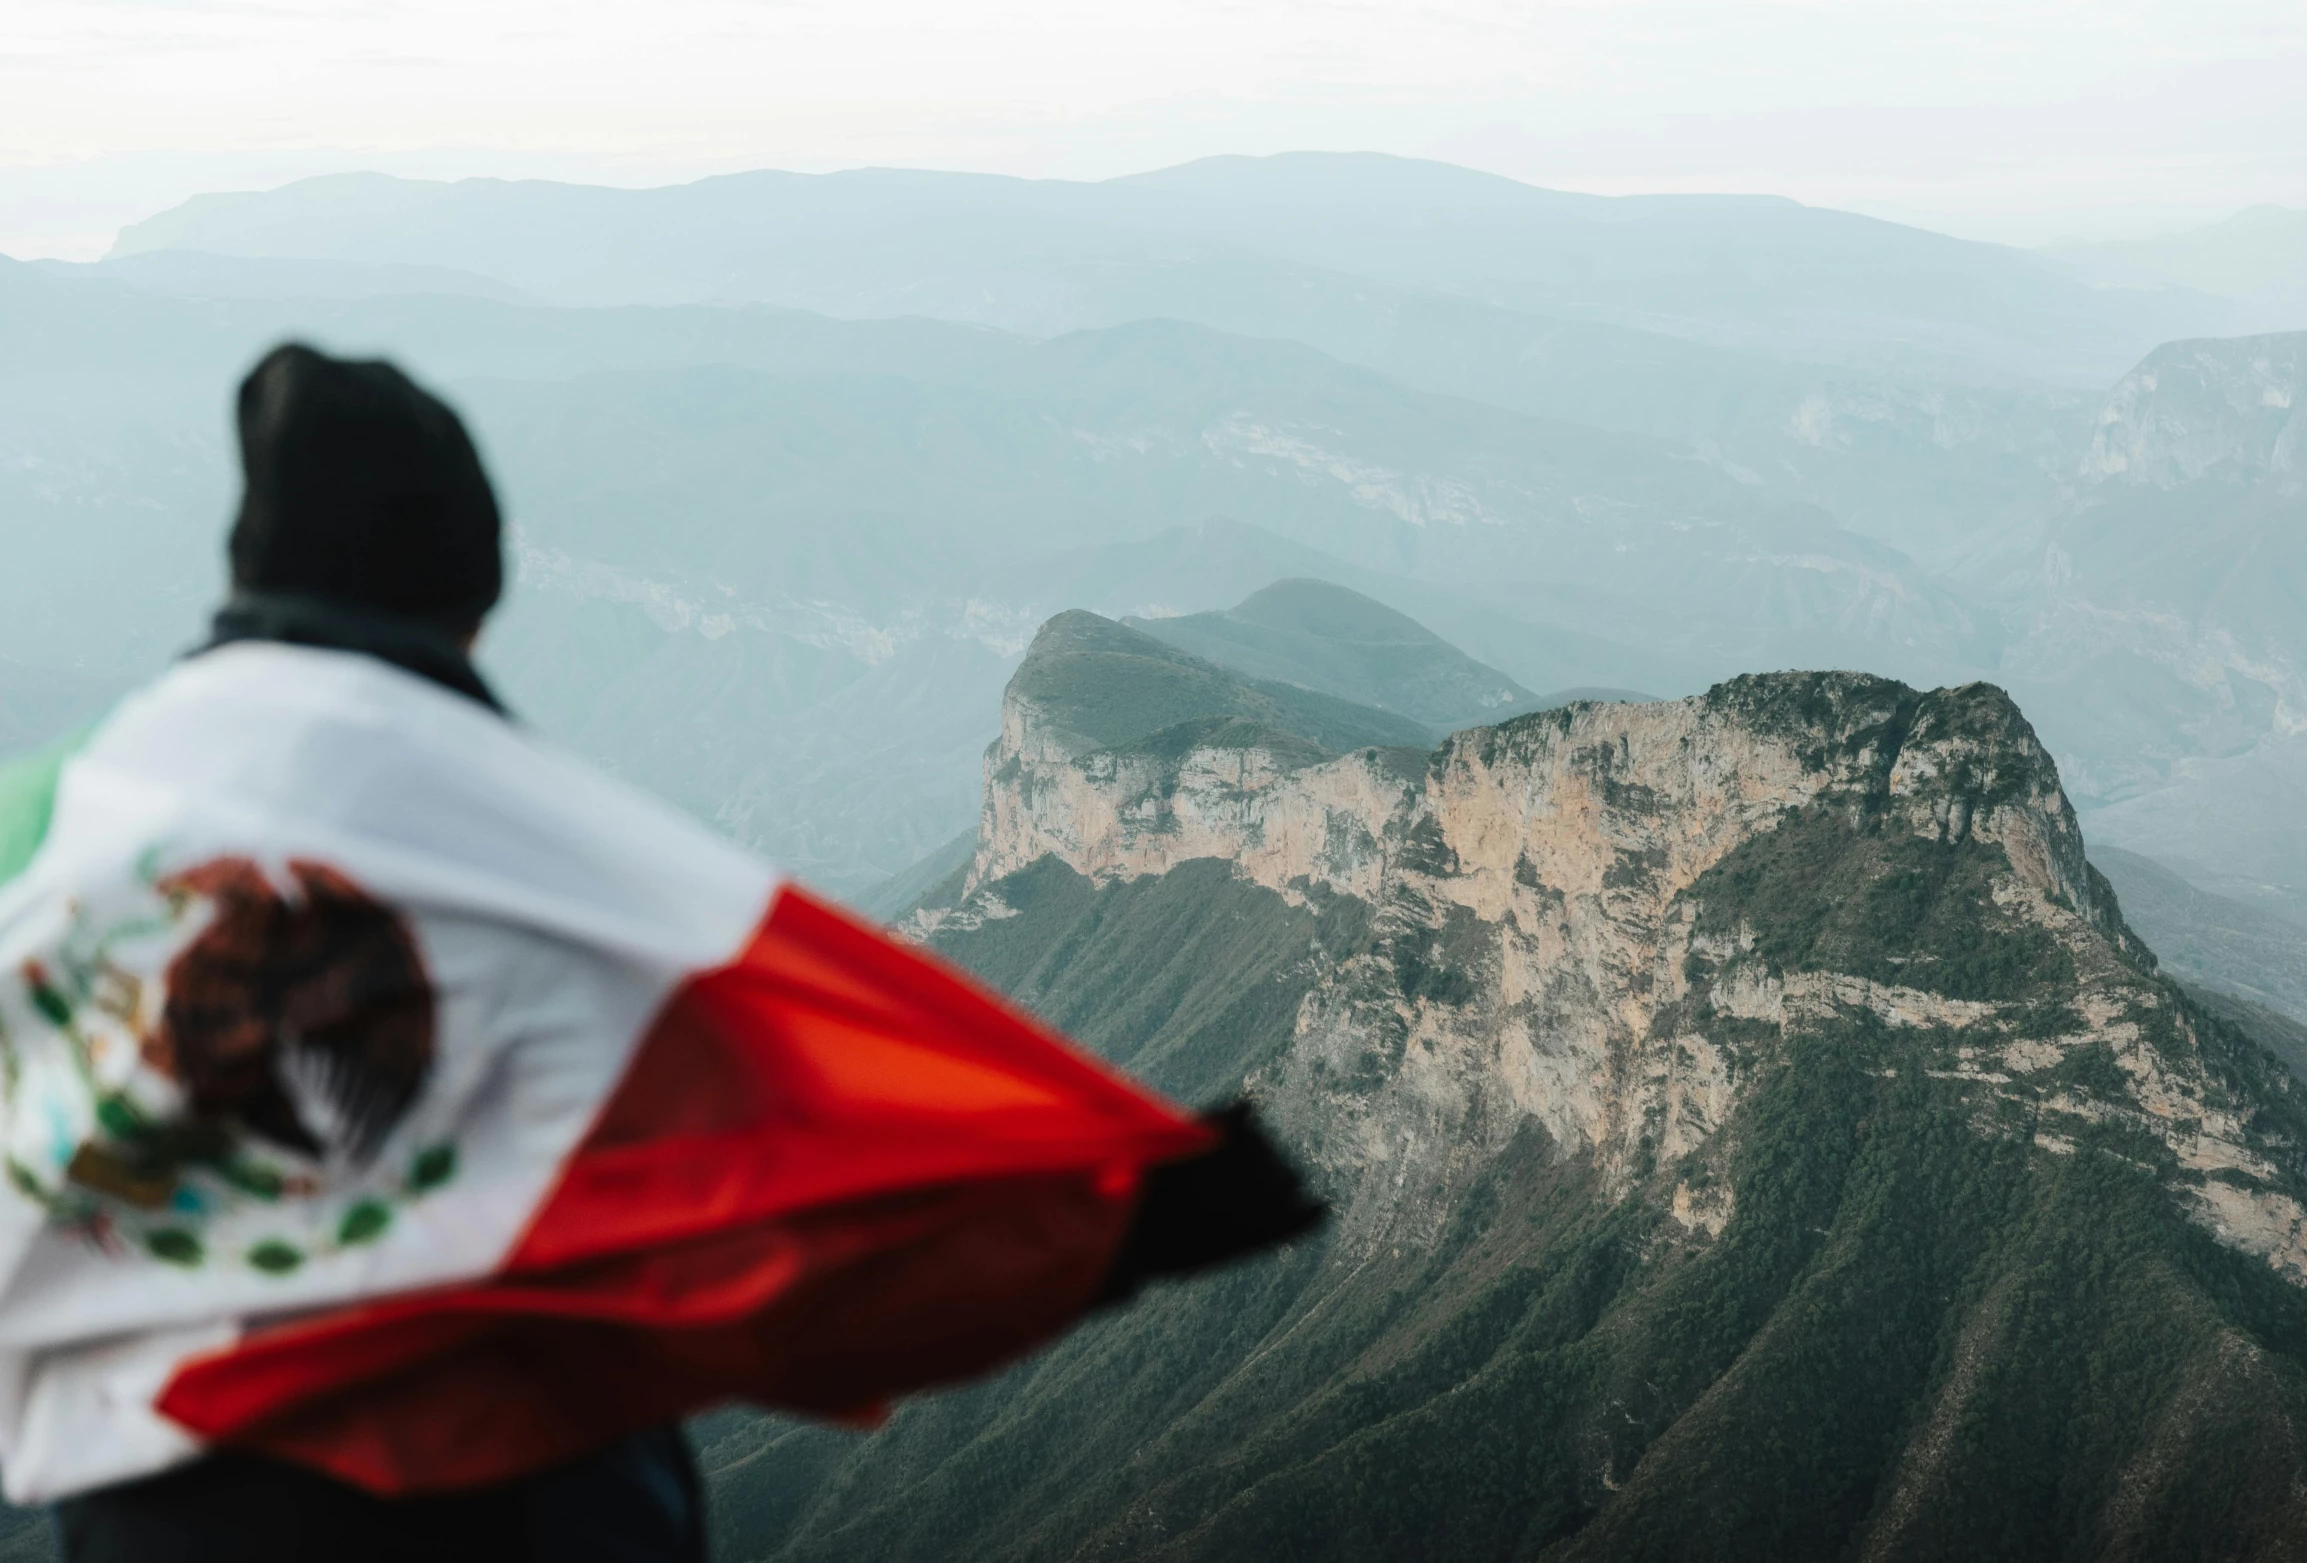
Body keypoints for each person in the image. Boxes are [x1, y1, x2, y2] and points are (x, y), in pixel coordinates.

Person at [0, 344, 1324, 1563]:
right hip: (502, 1501)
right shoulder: (515, 838)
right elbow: (783, 1173)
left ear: (244, 571)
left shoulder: (45, 817)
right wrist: (1132, 1210)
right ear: (470, 593)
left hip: (145, 1505)